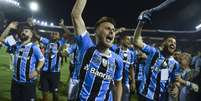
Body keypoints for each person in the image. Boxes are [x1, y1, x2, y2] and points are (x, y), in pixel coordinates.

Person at [71, 0, 123, 101]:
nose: (112, 31)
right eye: (108, 28)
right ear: (96, 32)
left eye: (113, 30)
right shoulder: (86, 47)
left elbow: (118, 84)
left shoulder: (118, 60)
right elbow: (76, 15)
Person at [133, 10, 180, 101]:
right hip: (145, 96)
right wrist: (141, 23)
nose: (173, 44)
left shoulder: (175, 64)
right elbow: (136, 41)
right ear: (163, 43)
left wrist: (177, 87)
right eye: (170, 41)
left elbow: (176, 80)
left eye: (174, 43)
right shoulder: (154, 52)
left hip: (162, 98)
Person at [0, 21, 45, 101]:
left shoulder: (34, 47)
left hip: (28, 83)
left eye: (26, 31)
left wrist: (37, 70)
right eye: (23, 31)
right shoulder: (16, 45)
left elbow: (42, 60)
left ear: (31, 35)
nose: (23, 32)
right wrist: (9, 27)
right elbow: (1, 39)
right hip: (15, 82)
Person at [111, 34, 136, 101]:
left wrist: (133, 82)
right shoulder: (115, 50)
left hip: (126, 82)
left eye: (130, 40)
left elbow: (131, 68)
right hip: (115, 81)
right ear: (122, 40)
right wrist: (118, 32)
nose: (129, 41)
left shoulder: (131, 53)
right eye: (127, 39)